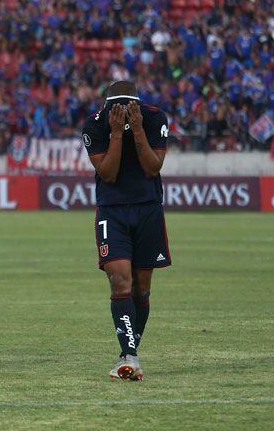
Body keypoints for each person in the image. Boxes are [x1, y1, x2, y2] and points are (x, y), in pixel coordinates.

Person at [81, 80, 171, 381]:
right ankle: (130, 357)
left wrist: (139, 130)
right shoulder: (94, 125)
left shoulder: (155, 117)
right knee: (120, 281)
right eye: (112, 109)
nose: (116, 113)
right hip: (112, 211)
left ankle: (128, 352)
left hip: (148, 210)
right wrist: (117, 133)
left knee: (141, 289)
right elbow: (107, 173)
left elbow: (152, 168)